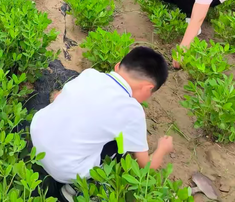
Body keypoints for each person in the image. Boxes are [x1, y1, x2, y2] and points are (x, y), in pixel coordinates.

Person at [30, 47, 173, 202]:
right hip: (63, 170)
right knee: (118, 147)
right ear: (148, 88)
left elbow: (59, 96)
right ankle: (75, 190)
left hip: (35, 140)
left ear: (118, 66)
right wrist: (162, 149)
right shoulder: (132, 111)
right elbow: (146, 167)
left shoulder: (89, 75)